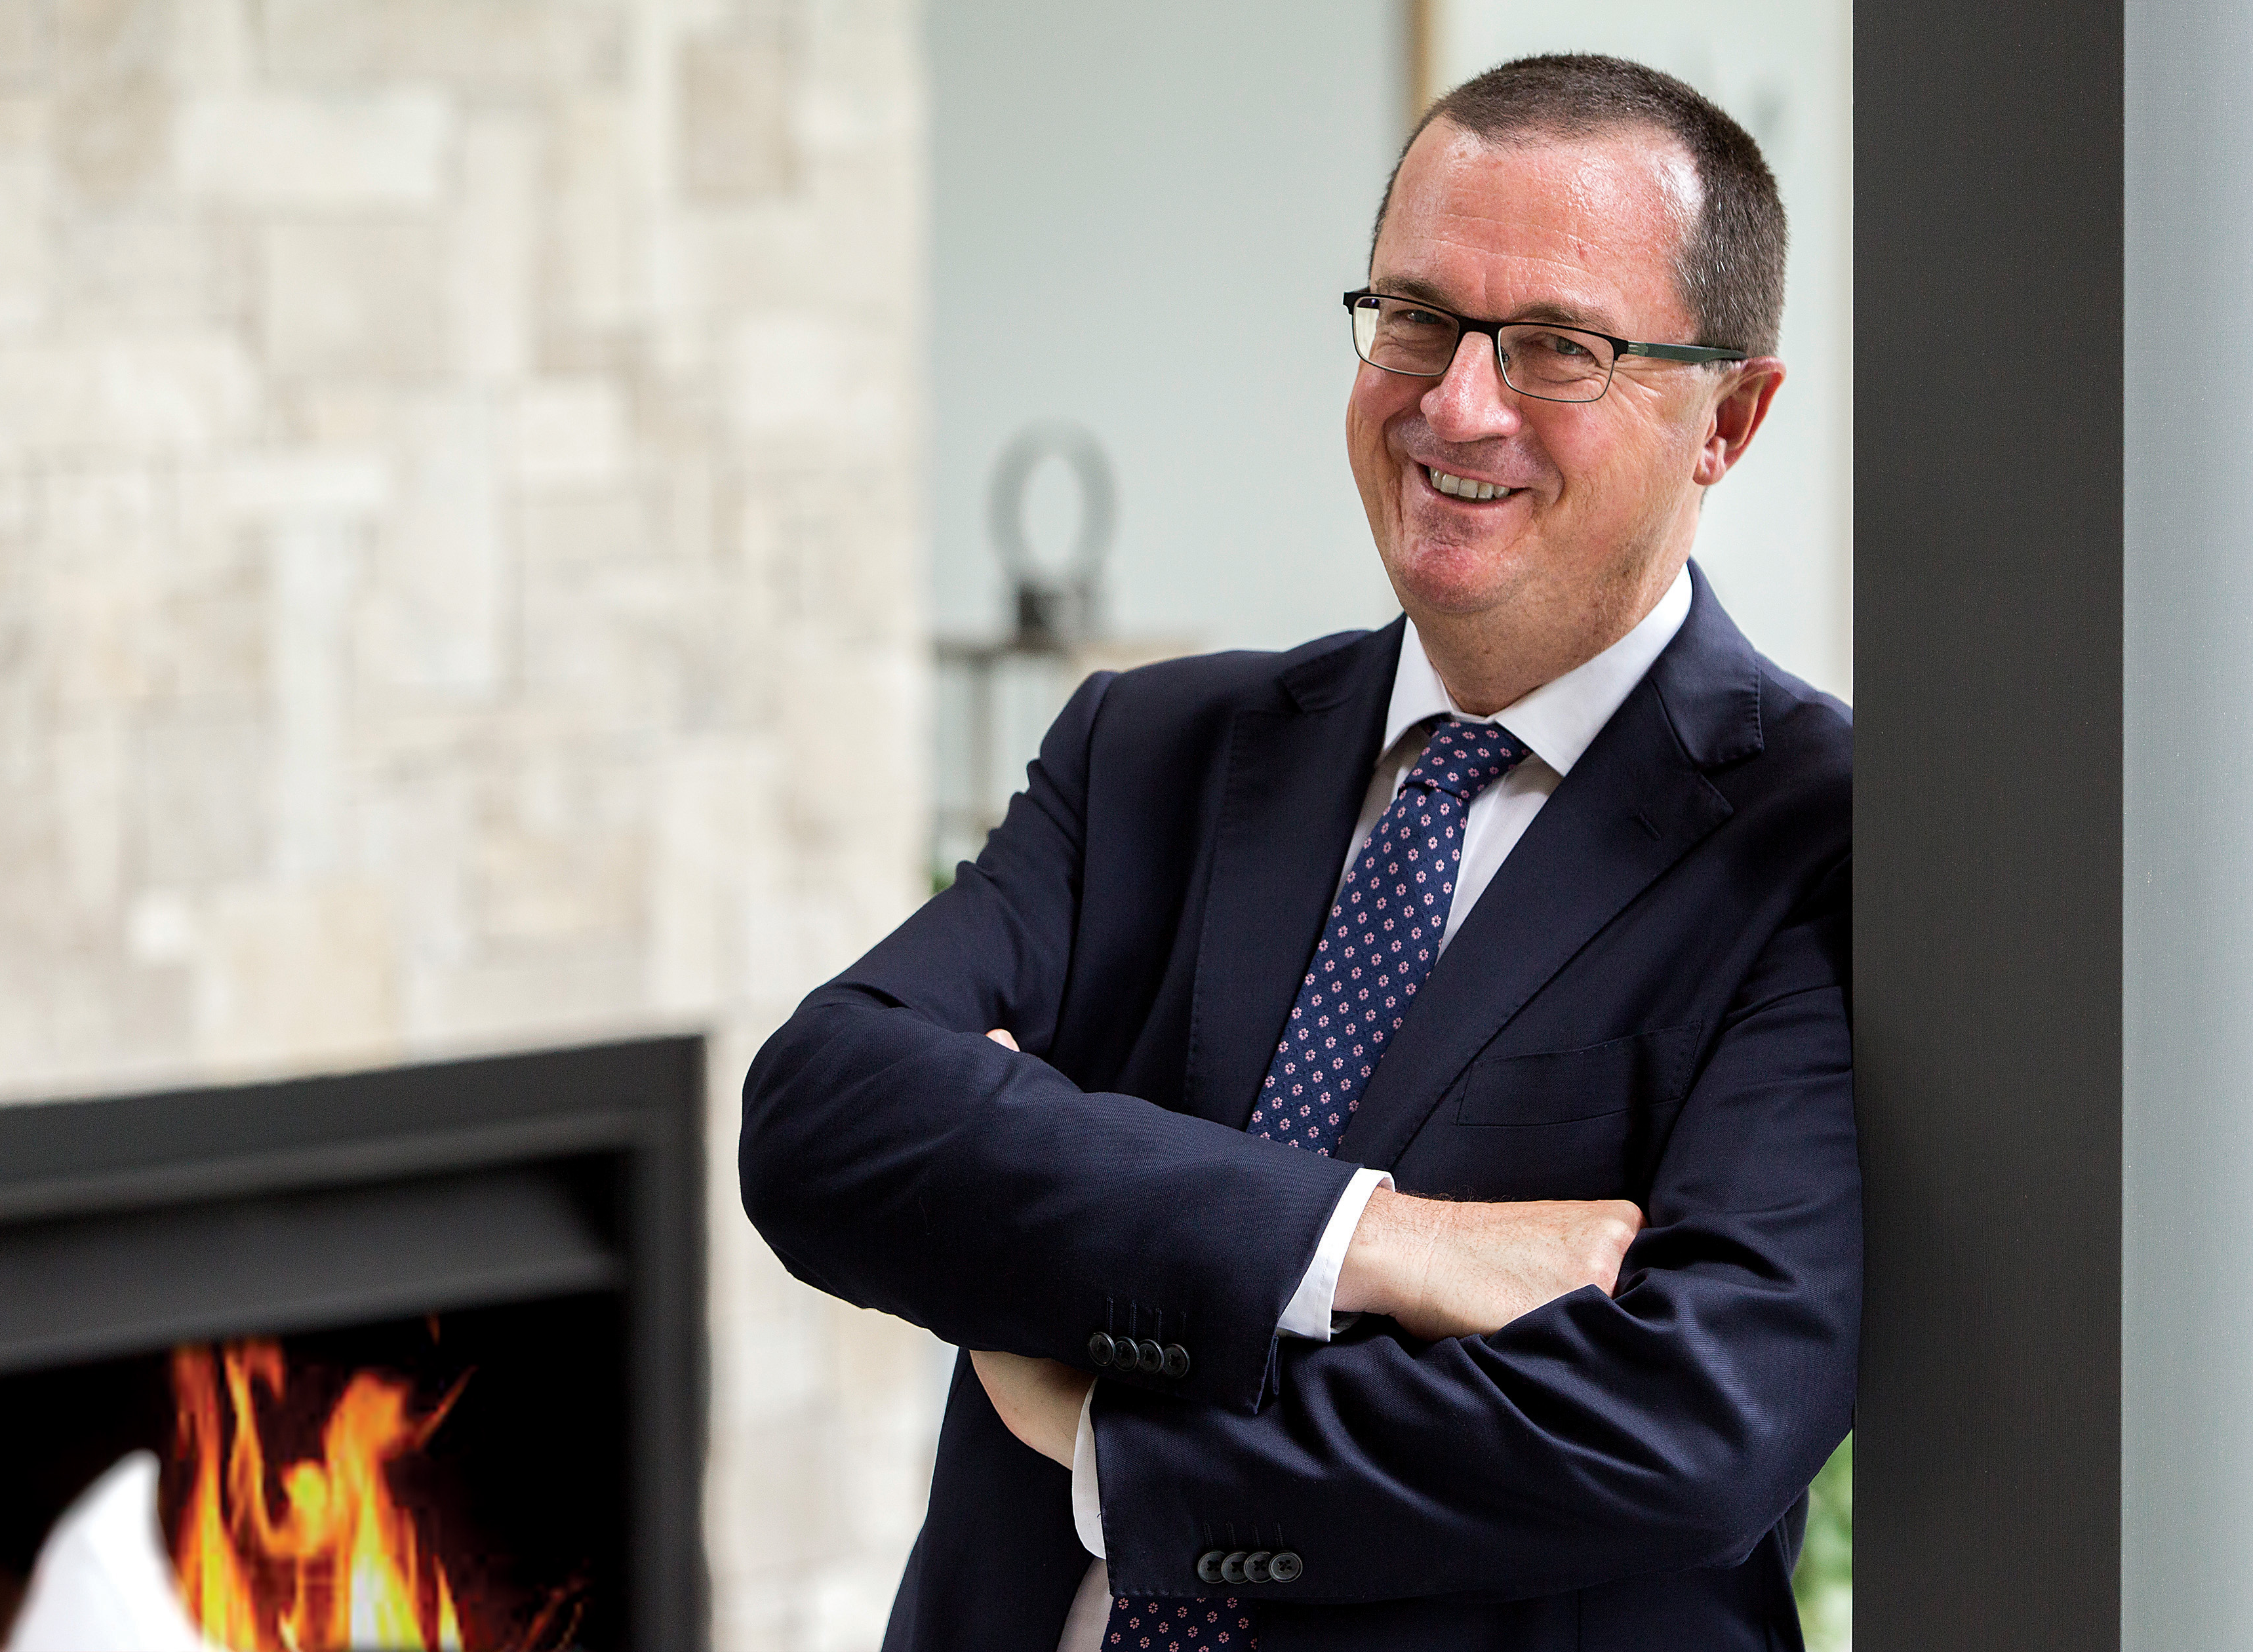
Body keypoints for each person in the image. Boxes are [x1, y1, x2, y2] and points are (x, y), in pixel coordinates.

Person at [742, 52, 1856, 1651]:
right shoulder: (1149, 748)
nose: (1455, 404)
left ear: (1726, 421)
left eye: (1556, 347)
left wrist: (1113, 1440)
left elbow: (1687, 1423)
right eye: (1415, 317)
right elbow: (824, 1116)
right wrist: (1383, 1244)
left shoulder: (1820, 837)